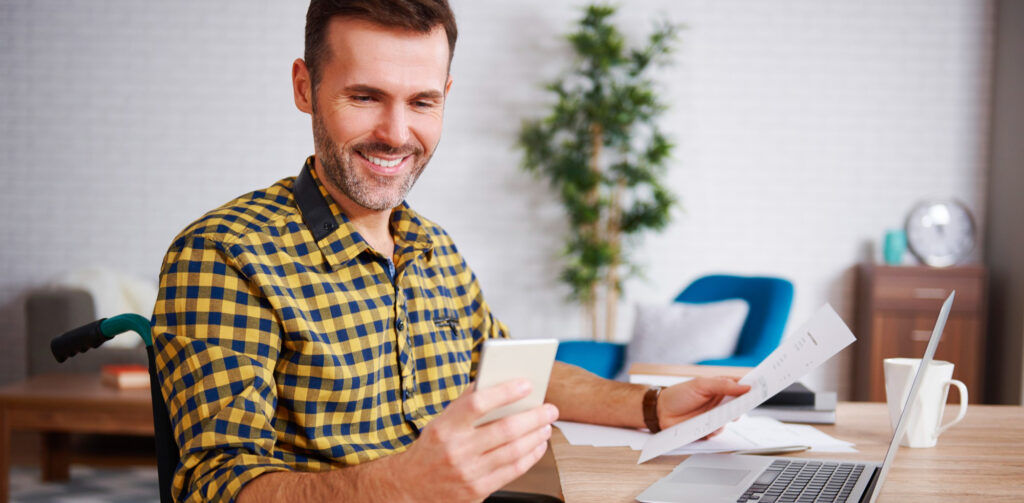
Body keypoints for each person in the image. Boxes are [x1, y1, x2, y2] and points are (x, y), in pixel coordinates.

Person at [151, 1, 750, 502]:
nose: (395, 132)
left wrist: (655, 407)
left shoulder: (434, 247)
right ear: (306, 87)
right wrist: (400, 487)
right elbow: (216, 485)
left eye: (422, 102)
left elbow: (517, 377)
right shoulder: (225, 255)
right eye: (365, 96)